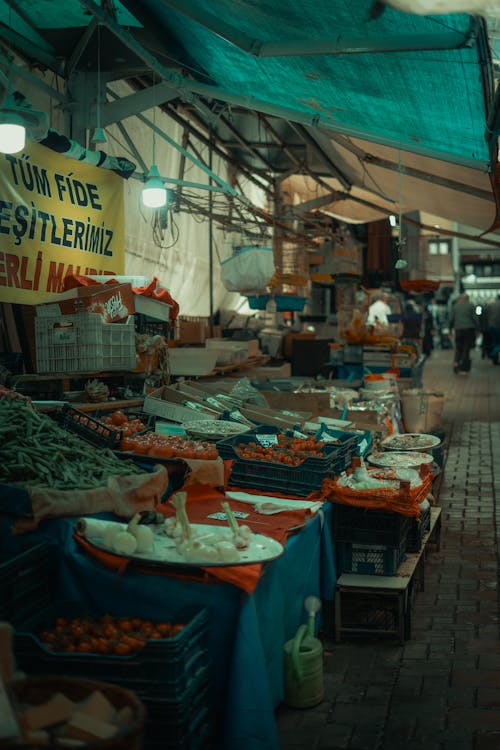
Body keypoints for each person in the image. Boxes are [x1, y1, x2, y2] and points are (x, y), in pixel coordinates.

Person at [449, 292, 479, 374]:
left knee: (458, 347)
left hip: (458, 329)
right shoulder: (471, 305)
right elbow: (475, 318)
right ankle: (464, 367)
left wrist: (450, 330)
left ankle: (456, 363)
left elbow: (451, 319)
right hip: (469, 329)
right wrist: (478, 329)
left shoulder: (456, 306)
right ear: (468, 298)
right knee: (466, 348)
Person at [487, 293, 500, 365]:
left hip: (491, 325)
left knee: (494, 342)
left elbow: (487, 315)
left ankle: (494, 359)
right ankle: (493, 353)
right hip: (498, 326)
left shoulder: (491, 305)